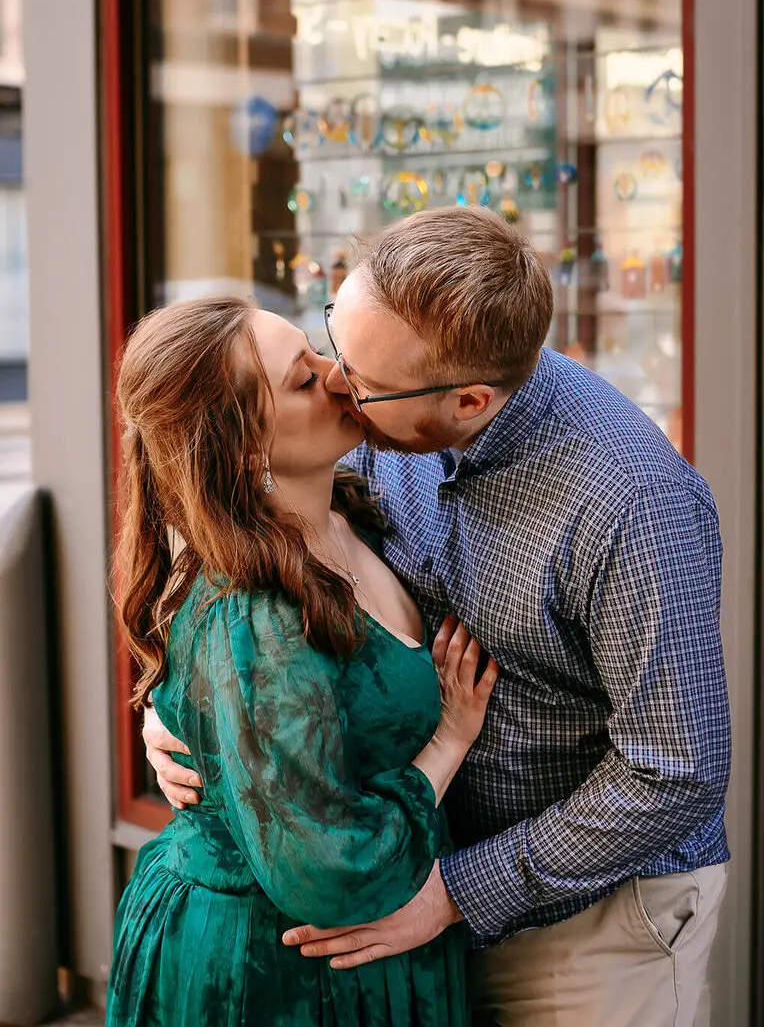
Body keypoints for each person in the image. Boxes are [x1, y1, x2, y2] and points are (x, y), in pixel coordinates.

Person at [146, 207, 731, 1027]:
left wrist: (456, 893)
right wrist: (188, 707)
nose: (336, 381)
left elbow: (676, 773)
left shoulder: (634, 504)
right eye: (333, 342)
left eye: (358, 379)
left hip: (594, 923)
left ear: (469, 400)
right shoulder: (382, 408)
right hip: (418, 886)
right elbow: (235, 513)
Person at [107, 295, 499, 1026]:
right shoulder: (256, 611)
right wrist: (449, 741)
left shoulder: (350, 509)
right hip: (279, 968)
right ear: (245, 449)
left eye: (317, 349)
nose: (338, 376)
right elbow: (328, 867)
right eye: (303, 378)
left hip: (379, 946)